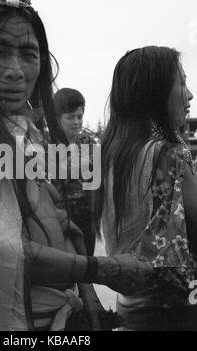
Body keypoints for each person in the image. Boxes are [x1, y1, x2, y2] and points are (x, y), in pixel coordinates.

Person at [0, 1, 155, 331]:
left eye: (29, 54)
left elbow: (56, 216)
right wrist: (99, 269)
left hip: (57, 303)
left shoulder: (27, 132)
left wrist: (86, 289)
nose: (16, 70)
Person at [95, 46, 197, 330]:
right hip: (177, 308)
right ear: (156, 91)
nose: (189, 95)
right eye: (182, 82)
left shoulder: (109, 154)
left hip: (130, 305)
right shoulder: (169, 154)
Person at [53, 88, 97, 255]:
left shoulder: (88, 142)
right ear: (57, 119)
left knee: (87, 263)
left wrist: (95, 215)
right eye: (70, 117)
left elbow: (95, 180)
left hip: (86, 214)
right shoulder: (46, 144)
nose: (77, 122)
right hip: (60, 217)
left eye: (80, 117)